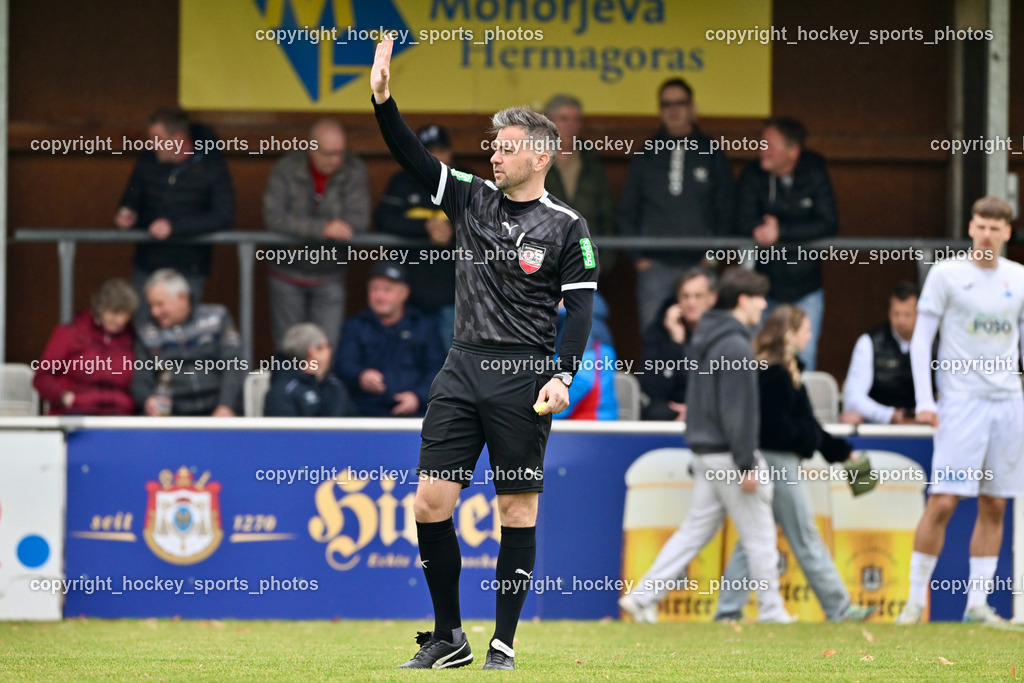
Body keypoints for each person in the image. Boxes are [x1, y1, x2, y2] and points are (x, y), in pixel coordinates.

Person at [371, 37, 597, 670]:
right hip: (462, 365)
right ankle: (449, 635)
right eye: (493, 146)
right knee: (429, 503)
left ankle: (503, 639)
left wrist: (563, 375)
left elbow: (578, 311)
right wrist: (384, 101)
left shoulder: (568, 226)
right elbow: (412, 157)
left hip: (524, 375)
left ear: (541, 154)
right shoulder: (470, 197)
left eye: (507, 146)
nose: (494, 155)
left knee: (514, 509)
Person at [619, 268, 792, 625]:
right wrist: (746, 463)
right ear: (744, 300)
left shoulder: (709, 337)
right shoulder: (734, 344)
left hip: (706, 453)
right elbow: (738, 411)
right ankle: (773, 611)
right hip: (729, 456)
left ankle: (642, 596)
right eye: (760, 297)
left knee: (695, 531)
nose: (764, 305)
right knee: (759, 534)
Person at [896, 196, 1024, 625]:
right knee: (944, 501)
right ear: (971, 228)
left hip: (1007, 402)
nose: (987, 235)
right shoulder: (947, 274)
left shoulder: (1018, 278)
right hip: (961, 403)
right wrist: (926, 401)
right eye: (981, 226)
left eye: (996, 228)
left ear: (1008, 232)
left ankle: (976, 605)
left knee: (996, 504)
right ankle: (915, 602)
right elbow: (921, 341)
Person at [714, 305, 875, 622]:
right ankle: (839, 608)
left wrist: (840, 451)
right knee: (804, 536)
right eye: (805, 329)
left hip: (771, 462)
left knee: (753, 540)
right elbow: (780, 429)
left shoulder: (778, 371)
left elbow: (807, 425)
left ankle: (728, 611)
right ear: (790, 334)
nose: (810, 335)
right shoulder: (775, 375)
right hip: (778, 464)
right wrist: (813, 443)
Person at [618, 78, 733, 330]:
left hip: (700, 265)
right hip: (655, 267)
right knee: (654, 334)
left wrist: (712, 256)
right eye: (666, 104)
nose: (673, 109)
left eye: (680, 103)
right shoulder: (646, 153)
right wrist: (639, 259)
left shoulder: (711, 152)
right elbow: (628, 210)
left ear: (692, 107)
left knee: (703, 337)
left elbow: (726, 210)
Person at [736, 117, 838, 370]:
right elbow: (739, 218)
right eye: (762, 143)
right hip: (764, 287)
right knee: (760, 358)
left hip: (806, 287)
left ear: (792, 151)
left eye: (770, 145)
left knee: (804, 357)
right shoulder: (753, 174)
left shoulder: (814, 171)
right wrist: (758, 229)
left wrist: (781, 231)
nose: (763, 150)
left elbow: (829, 222)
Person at [263, 119, 371, 350]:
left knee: (326, 348)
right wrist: (323, 229)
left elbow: (359, 220)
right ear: (311, 148)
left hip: (331, 274)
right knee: (288, 350)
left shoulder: (354, 169)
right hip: (286, 272)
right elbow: (274, 218)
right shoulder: (286, 169)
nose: (337, 160)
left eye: (341, 153)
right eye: (330, 154)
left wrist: (317, 231)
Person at [115, 106, 234, 306]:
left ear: (178, 138)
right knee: (146, 332)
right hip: (148, 263)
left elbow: (224, 216)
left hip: (189, 266)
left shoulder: (212, 166)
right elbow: (131, 198)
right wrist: (126, 214)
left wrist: (174, 227)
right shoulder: (147, 161)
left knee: (183, 332)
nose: (152, 145)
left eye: (157, 139)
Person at [377, 124, 458, 348]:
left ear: (450, 152)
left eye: (441, 149)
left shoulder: (465, 179)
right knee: (409, 361)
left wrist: (452, 230)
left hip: (454, 298)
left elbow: (487, 220)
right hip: (409, 296)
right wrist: (425, 227)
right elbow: (384, 220)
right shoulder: (401, 181)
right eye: (428, 150)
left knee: (451, 366)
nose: (436, 156)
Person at [335, 262, 445, 418]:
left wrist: (418, 397)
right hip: (365, 416)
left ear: (404, 293)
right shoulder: (355, 326)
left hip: (418, 417)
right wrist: (360, 376)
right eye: (374, 289)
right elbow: (343, 364)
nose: (380, 296)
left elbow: (439, 370)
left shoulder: (423, 326)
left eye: (388, 290)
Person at [131, 269, 245, 417]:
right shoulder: (146, 333)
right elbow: (140, 379)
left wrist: (226, 405)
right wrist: (148, 400)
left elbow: (234, 364)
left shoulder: (217, 317)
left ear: (182, 298)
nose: (154, 312)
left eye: (160, 304)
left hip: (219, 411)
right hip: (172, 418)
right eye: (151, 306)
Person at [33, 278, 138, 415]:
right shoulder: (72, 332)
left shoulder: (131, 338)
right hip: (76, 412)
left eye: (126, 314)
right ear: (100, 309)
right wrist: (62, 396)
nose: (121, 320)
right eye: (115, 313)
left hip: (118, 414)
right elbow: (42, 376)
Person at [544, 94, 616, 271]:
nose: (571, 125)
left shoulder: (591, 161)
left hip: (586, 257)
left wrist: (604, 261)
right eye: (563, 119)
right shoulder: (532, 160)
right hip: (542, 257)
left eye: (576, 120)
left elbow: (607, 214)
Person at [640, 267, 717, 421]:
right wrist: (675, 343)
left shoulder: (723, 332)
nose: (691, 302)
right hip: (673, 410)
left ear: (712, 298)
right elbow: (653, 389)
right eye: (685, 296)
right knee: (655, 412)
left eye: (698, 296)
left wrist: (696, 410)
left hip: (713, 409)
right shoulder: (658, 331)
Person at [840, 282, 920, 425]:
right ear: (889, 313)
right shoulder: (869, 342)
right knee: (849, 417)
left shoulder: (937, 343)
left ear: (920, 314)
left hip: (923, 423)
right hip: (879, 424)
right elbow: (853, 397)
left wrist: (926, 413)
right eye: (896, 314)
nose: (901, 320)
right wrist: (889, 415)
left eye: (907, 314)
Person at [263, 323, 357, 417]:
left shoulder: (335, 386)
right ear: (313, 352)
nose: (330, 351)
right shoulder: (283, 392)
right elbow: (282, 430)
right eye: (326, 346)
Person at [552, 296, 618, 421]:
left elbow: (580, 381)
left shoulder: (584, 325)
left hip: (590, 425)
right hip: (576, 423)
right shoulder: (566, 321)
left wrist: (541, 412)